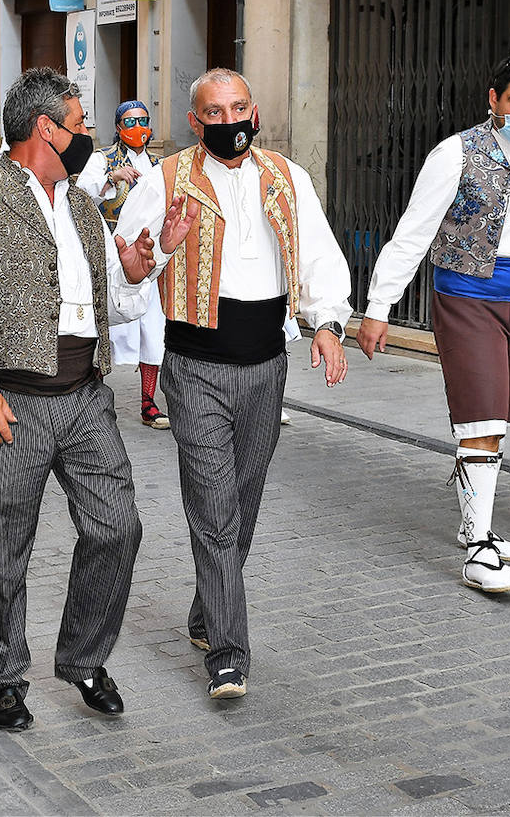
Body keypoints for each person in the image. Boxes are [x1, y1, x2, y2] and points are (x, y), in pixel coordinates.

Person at [0, 67, 176, 732]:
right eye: (81, 124)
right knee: (5, 546)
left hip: (85, 394)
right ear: (46, 129)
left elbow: (106, 304)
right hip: (10, 398)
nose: (89, 135)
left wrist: (140, 274)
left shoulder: (84, 206)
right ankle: (2, 675)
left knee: (118, 526)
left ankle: (84, 658)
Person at [116, 67, 352, 700]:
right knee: (214, 509)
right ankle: (228, 652)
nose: (229, 123)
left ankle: (205, 611)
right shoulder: (162, 181)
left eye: (238, 109)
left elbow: (320, 257)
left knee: (243, 503)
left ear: (255, 110)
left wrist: (327, 323)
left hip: (265, 365)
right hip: (194, 366)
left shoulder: (288, 177)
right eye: (213, 113)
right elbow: (127, 270)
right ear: (194, 121)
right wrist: (154, 256)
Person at [356, 54, 510, 595]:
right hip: (468, 297)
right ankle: (477, 548)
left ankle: (480, 524)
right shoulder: (455, 153)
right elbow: (414, 231)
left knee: (504, 416)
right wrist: (379, 307)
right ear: (492, 100)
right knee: (482, 419)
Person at [75, 100, 171, 430]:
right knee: (107, 325)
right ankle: (91, 394)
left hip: (146, 255)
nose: (138, 127)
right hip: (111, 249)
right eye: (130, 122)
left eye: (143, 121)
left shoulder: (160, 164)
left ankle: (148, 401)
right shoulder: (102, 158)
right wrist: (111, 177)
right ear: (118, 127)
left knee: (152, 327)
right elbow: (81, 191)